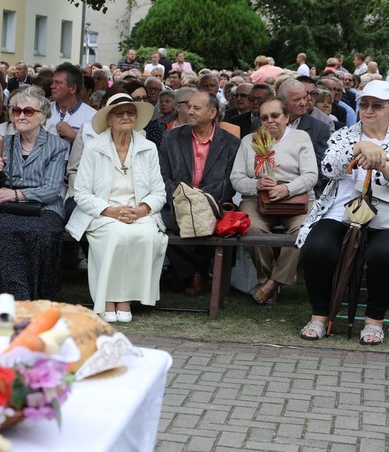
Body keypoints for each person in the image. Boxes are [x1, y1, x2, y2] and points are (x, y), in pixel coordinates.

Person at [296, 80, 389, 344]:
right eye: (364, 104)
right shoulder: (344, 134)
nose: (368, 111)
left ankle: (374, 320)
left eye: (376, 106)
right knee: (317, 247)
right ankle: (320, 316)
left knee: (387, 253)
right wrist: (357, 150)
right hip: (341, 212)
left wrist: (385, 166)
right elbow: (329, 169)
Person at [66, 93, 167, 321]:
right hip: (101, 212)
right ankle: (107, 299)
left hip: (138, 212)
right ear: (109, 119)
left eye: (130, 112)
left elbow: (159, 192)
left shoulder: (148, 147)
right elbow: (81, 192)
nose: (125, 116)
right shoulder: (94, 147)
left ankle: (125, 300)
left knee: (147, 235)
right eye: (119, 113)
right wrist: (109, 211)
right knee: (116, 234)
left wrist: (141, 210)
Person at [230, 97, 318, 304]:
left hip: (296, 198)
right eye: (264, 117)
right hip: (257, 199)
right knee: (251, 227)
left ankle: (271, 284)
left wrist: (287, 189)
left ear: (287, 117)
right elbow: (236, 178)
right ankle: (266, 279)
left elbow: (311, 175)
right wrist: (256, 185)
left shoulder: (300, 137)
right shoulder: (249, 140)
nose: (270, 121)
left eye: (275, 115)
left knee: (304, 229)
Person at [0, 86, 68, 300]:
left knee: (39, 233)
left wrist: (15, 195)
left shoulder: (56, 145)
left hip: (45, 208)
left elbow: (51, 190)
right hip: (11, 208)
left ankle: (40, 295)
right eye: (16, 111)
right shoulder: (4, 144)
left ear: (43, 116)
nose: (21, 115)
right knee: (5, 230)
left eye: (28, 111)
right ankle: (17, 296)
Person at [159, 91, 240, 294]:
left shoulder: (231, 143)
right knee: (159, 222)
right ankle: (192, 273)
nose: (190, 111)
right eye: (189, 107)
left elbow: (230, 182)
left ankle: (186, 274)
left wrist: (200, 199)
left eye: (196, 108)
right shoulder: (171, 138)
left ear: (212, 112)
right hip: (177, 202)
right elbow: (162, 176)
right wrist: (183, 199)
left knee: (207, 224)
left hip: (214, 203)